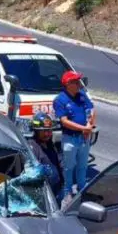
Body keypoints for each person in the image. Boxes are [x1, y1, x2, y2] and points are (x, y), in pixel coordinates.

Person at [52, 70, 95, 203]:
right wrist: (84, 128)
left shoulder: (81, 95)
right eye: (75, 81)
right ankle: (67, 192)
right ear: (68, 84)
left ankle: (82, 190)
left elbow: (92, 109)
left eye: (78, 81)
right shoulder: (60, 100)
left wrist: (89, 124)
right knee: (69, 167)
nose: (78, 84)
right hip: (70, 138)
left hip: (83, 138)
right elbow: (64, 121)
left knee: (82, 166)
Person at [27, 112, 64, 198]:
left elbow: (59, 163)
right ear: (36, 131)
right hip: (45, 195)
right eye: (44, 131)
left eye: (49, 130)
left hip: (57, 190)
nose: (47, 134)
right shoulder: (32, 148)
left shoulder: (51, 145)